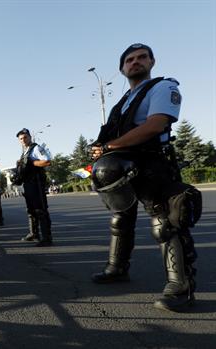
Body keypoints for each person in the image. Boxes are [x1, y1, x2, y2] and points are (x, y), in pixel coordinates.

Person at [90, 44, 198, 311]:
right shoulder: (122, 101)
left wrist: (109, 147)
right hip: (122, 165)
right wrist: (100, 148)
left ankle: (180, 287)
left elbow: (156, 124)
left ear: (152, 62)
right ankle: (117, 268)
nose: (135, 62)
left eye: (141, 58)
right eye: (129, 59)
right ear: (122, 68)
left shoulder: (162, 88)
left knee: (165, 223)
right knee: (120, 219)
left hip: (152, 162)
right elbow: (110, 135)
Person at [15, 128, 53, 246]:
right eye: (21, 139)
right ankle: (33, 233)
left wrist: (32, 163)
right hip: (27, 184)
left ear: (30, 137)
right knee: (31, 211)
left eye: (25, 137)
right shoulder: (25, 151)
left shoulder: (36, 148)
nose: (23, 140)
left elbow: (47, 161)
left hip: (36, 183)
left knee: (41, 210)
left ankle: (47, 238)